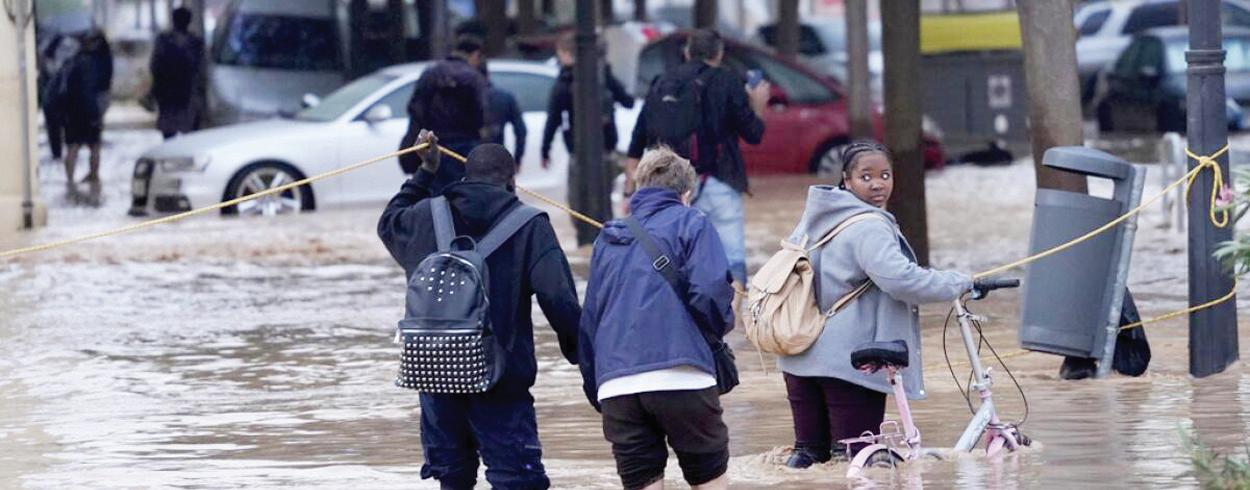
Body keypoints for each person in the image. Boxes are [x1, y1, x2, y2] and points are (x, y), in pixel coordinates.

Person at [377, 130, 582, 489]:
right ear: (512, 182)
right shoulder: (530, 225)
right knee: (518, 482)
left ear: (465, 177)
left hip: (436, 379)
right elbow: (559, 299)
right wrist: (582, 355)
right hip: (502, 384)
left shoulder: (425, 215)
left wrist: (425, 172)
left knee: (453, 480)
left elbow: (388, 222)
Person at [777, 140, 972, 468]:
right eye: (865, 177)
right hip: (850, 363)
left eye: (885, 175)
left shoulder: (813, 219)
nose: (878, 184)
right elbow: (901, 280)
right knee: (856, 462)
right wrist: (959, 282)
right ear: (846, 180)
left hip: (798, 357)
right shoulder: (870, 225)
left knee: (808, 460)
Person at [578, 147, 734, 490]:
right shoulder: (693, 222)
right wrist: (718, 332)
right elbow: (710, 293)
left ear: (638, 187)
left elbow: (590, 320)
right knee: (709, 479)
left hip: (617, 385)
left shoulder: (608, 236)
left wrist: (597, 387)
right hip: (683, 377)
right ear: (686, 194)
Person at [625, 28, 770, 287]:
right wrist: (758, 105)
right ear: (719, 53)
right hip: (718, 180)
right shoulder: (727, 81)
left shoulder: (662, 82)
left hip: (669, 187)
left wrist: (629, 192)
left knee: (673, 258)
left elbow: (638, 141)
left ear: (687, 52)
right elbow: (754, 134)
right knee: (731, 260)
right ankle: (732, 311)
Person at [540, 33, 635, 245]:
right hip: (605, 149)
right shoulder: (603, 77)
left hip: (580, 151)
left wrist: (545, 149)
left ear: (567, 53)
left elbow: (553, 119)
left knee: (578, 200)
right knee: (603, 199)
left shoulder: (565, 82)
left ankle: (589, 239)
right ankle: (606, 239)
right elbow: (628, 101)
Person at [398, 35, 488, 192]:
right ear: (475, 55)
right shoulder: (474, 77)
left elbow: (416, 109)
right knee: (463, 192)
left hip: (434, 143)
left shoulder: (430, 73)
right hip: (465, 145)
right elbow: (482, 114)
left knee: (434, 192)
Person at [62, 30, 114, 183]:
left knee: (74, 145)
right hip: (90, 110)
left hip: (75, 110)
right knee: (93, 145)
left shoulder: (77, 60)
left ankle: (71, 180)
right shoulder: (100, 61)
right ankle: (91, 175)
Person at [150, 7, 205, 140]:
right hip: (183, 92)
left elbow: (154, 65)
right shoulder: (195, 42)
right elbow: (201, 70)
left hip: (170, 92)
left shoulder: (164, 40)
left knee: (170, 131)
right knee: (187, 131)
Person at [37, 33, 78, 161]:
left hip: (54, 98)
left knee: (54, 127)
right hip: (59, 98)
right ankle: (62, 151)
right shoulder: (69, 53)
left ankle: (58, 152)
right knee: (60, 126)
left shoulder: (54, 58)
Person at [480, 61, 527, 162]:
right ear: (487, 75)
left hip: (465, 156)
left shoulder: (460, 98)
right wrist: (517, 158)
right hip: (496, 155)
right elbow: (521, 131)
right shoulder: (505, 97)